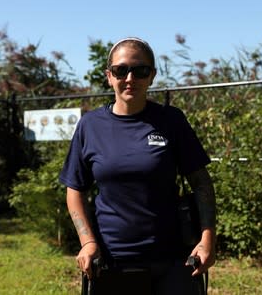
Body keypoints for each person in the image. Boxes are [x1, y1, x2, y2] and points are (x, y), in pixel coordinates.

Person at [59, 37, 216, 295]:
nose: (130, 78)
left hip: (172, 261)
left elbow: (201, 183)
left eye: (140, 70)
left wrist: (207, 239)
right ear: (109, 76)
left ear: (152, 76)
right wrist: (87, 242)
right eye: (121, 70)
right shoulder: (90, 126)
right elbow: (75, 189)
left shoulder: (171, 121)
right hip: (111, 262)